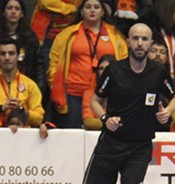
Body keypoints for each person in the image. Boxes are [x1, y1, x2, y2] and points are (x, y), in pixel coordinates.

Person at [40, 23, 175, 184]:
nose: (139, 43)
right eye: (135, 38)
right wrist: (105, 119)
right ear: (129, 42)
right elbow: (95, 100)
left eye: (144, 39)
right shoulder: (114, 69)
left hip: (140, 145)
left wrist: (168, 111)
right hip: (111, 143)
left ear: (150, 43)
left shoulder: (159, 72)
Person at [47, 0, 127, 128]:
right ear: (81, 11)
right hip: (73, 92)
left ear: (102, 12)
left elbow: (124, 62)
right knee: (73, 133)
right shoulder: (67, 34)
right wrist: (53, 84)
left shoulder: (116, 35)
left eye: (96, 7)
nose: (92, 10)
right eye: (88, 7)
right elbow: (54, 61)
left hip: (105, 94)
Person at [0, 0, 42, 89]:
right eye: (9, 8)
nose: (13, 11)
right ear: (3, 12)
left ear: (22, 14)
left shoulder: (30, 37)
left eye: (17, 9)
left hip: (26, 90)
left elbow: (38, 68)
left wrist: (37, 91)